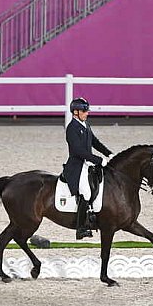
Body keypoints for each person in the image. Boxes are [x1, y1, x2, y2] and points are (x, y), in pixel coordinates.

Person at [62, 97, 113, 240]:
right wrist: (98, 160)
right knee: (86, 192)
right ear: (75, 112)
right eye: (84, 111)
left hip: (87, 163)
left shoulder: (85, 125)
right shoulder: (72, 128)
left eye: (86, 111)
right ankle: (81, 228)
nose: (87, 113)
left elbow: (95, 142)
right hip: (77, 166)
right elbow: (78, 151)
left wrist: (108, 153)